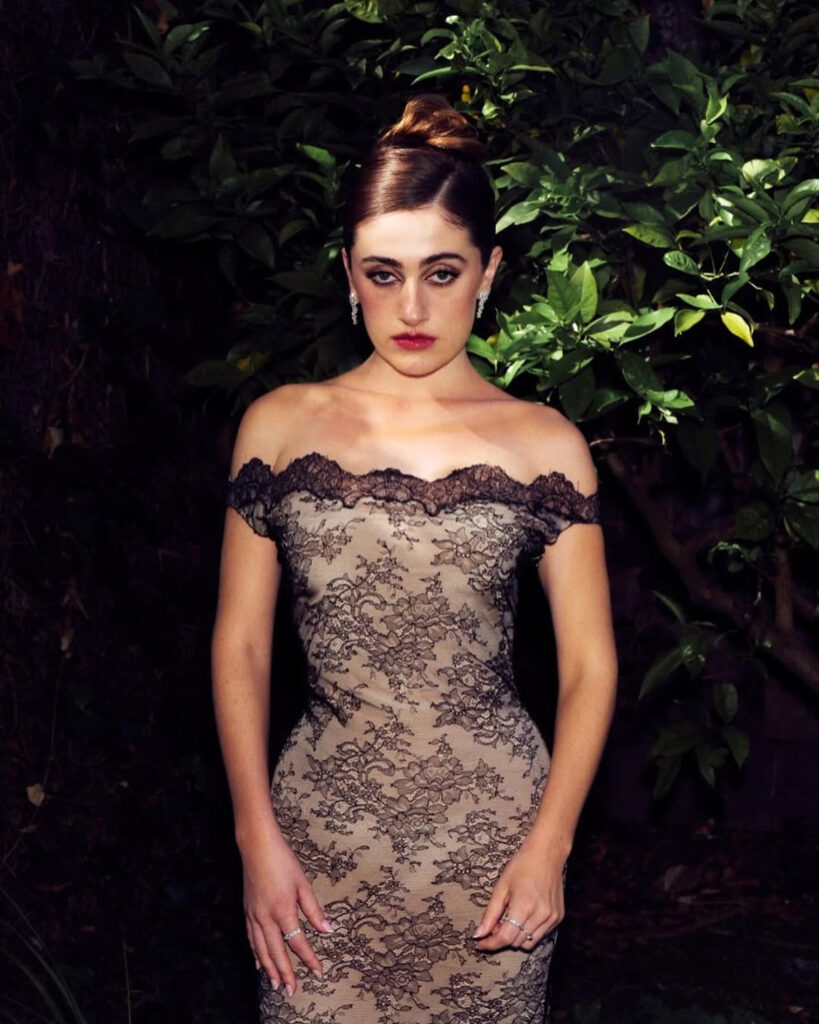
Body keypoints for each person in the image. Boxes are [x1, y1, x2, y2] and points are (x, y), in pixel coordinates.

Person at [211, 94, 617, 1024]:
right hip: (314, 842)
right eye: (382, 274)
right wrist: (253, 839)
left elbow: (590, 667)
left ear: (488, 272)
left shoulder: (544, 442)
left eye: (442, 272)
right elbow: (241, 646)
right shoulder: (279, 424)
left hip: (495, 850)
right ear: (347, 275)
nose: (411, 308)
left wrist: (548, 848)